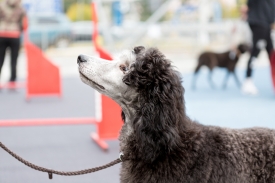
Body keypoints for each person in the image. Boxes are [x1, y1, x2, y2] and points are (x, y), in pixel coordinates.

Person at [241, 0, 275, 95]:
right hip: (259, 22)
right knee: (256, 51)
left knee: (271, 53)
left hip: (266, 24)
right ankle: (248, 80)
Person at [0, 0, 27, 87]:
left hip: (2, 33)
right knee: (14, 59)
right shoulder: (20, 8)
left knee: (0, 58)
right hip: (15, 34)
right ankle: (12, 80)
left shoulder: (2, 6)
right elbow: (24, 23)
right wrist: (20, 30)